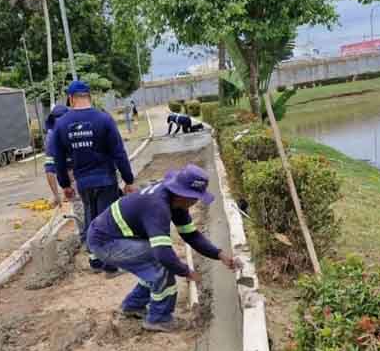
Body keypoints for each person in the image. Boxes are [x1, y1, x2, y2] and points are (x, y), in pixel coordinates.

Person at [87, 164, 241, 332]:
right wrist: (186, 271)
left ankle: (133, 306)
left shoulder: (176, 202)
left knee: (153, 264)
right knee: (162, 264)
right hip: (106, 242)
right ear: (184, 194)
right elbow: (163, 255)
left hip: (113, 237)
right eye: (195, 197)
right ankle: (159, 318)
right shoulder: (157, 206)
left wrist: (219, 254)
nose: (196, 201)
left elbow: (192, 236)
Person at [54, 81, 136, 277]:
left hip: (83, 181)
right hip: (106, 179)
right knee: (108, 219)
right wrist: (128, 179)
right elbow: (119, 153)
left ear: (71, 98)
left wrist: (65, 184)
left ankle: (95, 260)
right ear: (89, 96)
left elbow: (58, 159)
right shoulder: (104, 119)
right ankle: (109, 266)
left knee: (91, 217)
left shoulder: (61, 124)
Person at [43, 104, 71, 207]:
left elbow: (50, 170)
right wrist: (56, 195)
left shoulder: (52, 138)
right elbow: (50, 169)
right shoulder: (52, 139)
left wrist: (56, 195)